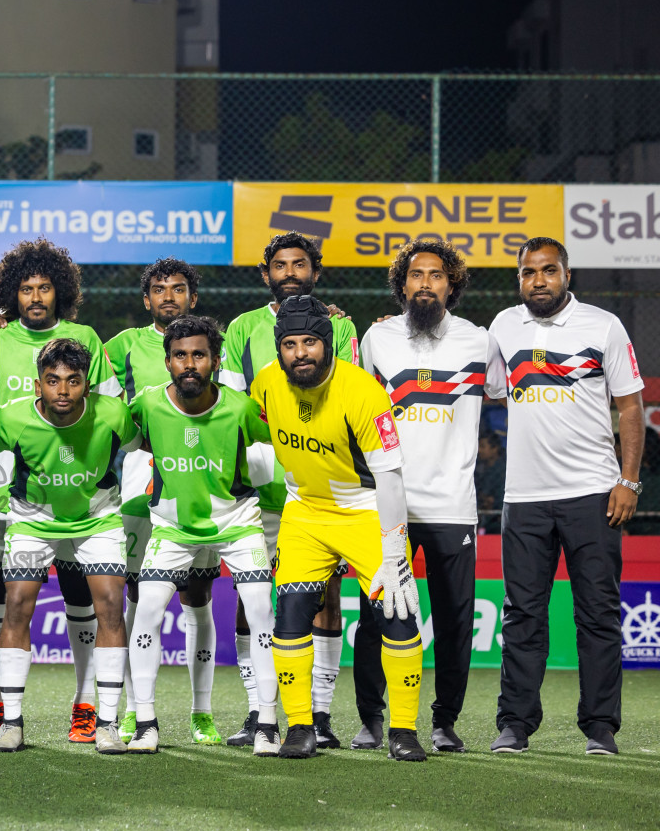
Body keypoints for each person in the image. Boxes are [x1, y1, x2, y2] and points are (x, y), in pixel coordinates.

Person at [248, 295, 426, 761]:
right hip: (305, 513)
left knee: (399, 614)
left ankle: (404, 731)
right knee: (289, 616)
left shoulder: (363, 391)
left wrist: (394, 553)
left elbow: (390, 477)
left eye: (309, 342)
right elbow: (258, 443)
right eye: (289, 344)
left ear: (326, 343)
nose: (300, 353)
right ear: (279, 348)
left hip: (365, 511)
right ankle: (301, 728)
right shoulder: (266, 384)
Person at [488, 237, 644, 756]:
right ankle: (514, 724)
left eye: (549, 271)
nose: (539, 280)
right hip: (525, 497)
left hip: (593, 494)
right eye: (529, 272)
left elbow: (630, 407)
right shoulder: (503, 327)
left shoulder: (603, 326)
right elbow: (484, 386)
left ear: (567, 275)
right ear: (520, 279)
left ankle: (601, 728)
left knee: (597, 614)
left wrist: (628, 481)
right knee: (522, 615)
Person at [360, 239, 505, 752]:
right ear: (402, 285)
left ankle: (445, 721)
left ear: (452, 285)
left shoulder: (480, 342)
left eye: (436, 275)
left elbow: (507, 395)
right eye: (416, 274)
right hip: (389, 507)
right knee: (379, 616)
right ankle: (372, 720)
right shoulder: (375, 338)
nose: (425, 282)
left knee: (453, 621)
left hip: (453, 507)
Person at [220, 232, 361, 750]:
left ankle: (319, 717)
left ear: (315, 271)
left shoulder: (341, 326)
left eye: (300, 264)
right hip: (260, 488)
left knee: (324, 593)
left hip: (323, 487)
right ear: (266, 275)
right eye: (280, 265)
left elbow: (348, 394)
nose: (290, 272)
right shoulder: (241, 329)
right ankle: (260, 712)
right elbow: (232, 410)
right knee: (252, 595)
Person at [125, 316, 280, 756]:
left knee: (260, 609)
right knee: (148, 610)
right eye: (179, 355)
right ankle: (145, 723)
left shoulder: (240, 407)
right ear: (168, 360)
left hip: (238, 520)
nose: (189, 364)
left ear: (214, 360)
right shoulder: (148, 405)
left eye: (198, 355)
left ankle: (268, 724)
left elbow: (286, 437)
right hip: (173, 528)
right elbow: (113, 435)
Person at [0, 239, 112, 744]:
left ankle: (86, 702)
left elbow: (101, 413)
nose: (35, 297)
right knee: (3, 599)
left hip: (77, 492)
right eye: (26, 289)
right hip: (8, 493)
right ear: (11, 294)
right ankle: (0, 705)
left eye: (45, 288)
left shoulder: (85, 338)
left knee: (82, 597)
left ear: (61, 292)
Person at [0, 338, 141, 754]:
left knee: (109, 603)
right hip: (33, 519)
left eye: (73, 381)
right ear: (38, 385)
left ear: (88, 385)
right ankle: (11, 723)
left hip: (98, 517)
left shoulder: (113, 414)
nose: (63, 391)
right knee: (16, 602)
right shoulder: (12, 418)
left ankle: (106, 722)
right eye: (53, 381)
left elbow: (134, 446)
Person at [103, 257, 224, 745]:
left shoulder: (211, 346)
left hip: (198, 491)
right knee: (139, 601)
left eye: (178, 288)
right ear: (146, 298)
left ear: (192, 297)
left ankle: (202, 711)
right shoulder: (121, 347)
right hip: (138, 493)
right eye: (159, 289)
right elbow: (64, 357)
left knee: (198, 599)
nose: (168, 296)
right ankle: (136, 708)